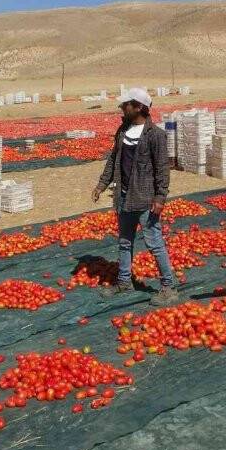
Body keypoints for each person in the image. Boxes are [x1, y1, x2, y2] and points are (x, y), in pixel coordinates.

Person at [92, 87, 181, 307]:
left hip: (145, 199)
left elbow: (162, 168)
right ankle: (124, 282)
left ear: (138, 107)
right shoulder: (122, 130)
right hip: (123, 197)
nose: (122, 108)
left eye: (126, 104)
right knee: (124, 242)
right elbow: (113, 160)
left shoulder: (156, 135)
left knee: (154, 243)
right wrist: (102, 184)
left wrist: (160, 197)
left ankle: (168, 287)